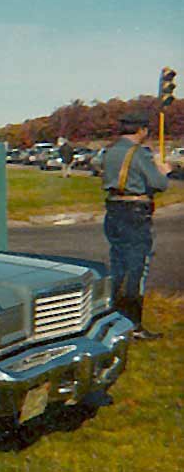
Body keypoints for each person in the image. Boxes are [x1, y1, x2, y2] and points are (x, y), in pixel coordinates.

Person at [101, 111, 171, 341]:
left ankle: (113, 320)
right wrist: (163, 170)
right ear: (141, 130)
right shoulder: (138, 153)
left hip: (113, 211)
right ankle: (133, 326)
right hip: (135, 213)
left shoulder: (110, 151)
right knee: (136, 268)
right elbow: (159, 184)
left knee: (118, 266)